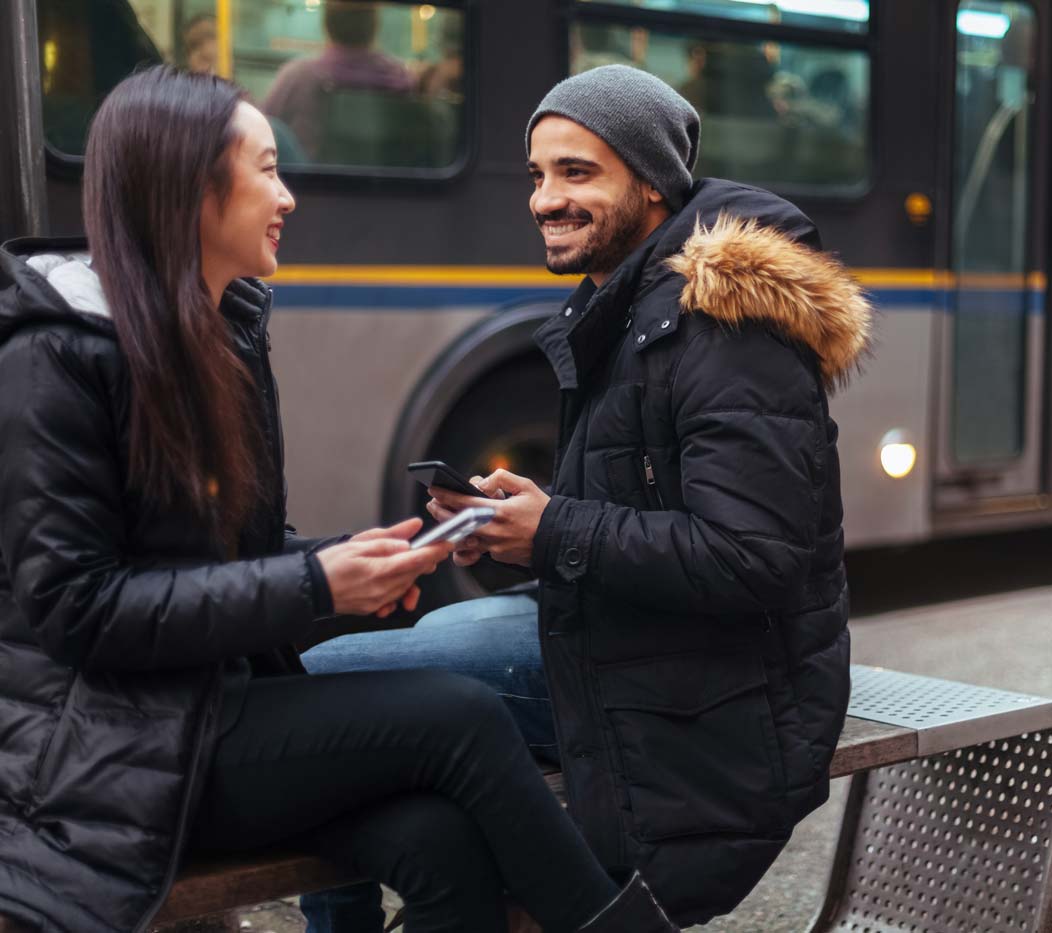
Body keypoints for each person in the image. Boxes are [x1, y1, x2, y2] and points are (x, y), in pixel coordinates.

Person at [0, 66, 675, 933]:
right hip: (101, 749)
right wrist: (316, 585)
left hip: (206, 709)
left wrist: (350, 560)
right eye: (267, 169)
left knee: (439, 841)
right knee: (459, 712)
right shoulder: (49, 360)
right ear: (190, 191)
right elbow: (79, 611)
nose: (287, 195)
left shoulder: (225, 331)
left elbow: (234, 562)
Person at [300, 64, 866, 928]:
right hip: (625, 630)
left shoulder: (723, 323)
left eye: (577, 172)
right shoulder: (636, 299)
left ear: (649, 184)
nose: (544, 200)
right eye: (537, 174)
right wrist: (523, 518)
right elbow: (650, 496)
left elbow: (754, 556)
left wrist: (554, 527)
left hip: (708, 685)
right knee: (399, 661)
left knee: (318, 690)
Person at [261, 0, 414, 159]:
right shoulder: (401, 79)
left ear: (326, 25)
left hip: (309, 183)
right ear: (375, 25)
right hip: (388, 183)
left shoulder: (297, 76)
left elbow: (262, 131)